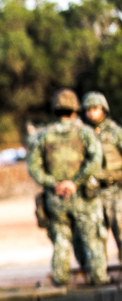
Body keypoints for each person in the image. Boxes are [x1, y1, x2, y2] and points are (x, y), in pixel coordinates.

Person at [26, 89, 106, 286]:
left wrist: (54, 185)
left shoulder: (43, 135)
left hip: (56, 198)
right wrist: (75, 182)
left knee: (61, 238)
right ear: (75, 109)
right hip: (83, 196)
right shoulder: (84, 132)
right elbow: (95, 160)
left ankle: (60, 279)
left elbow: (33, 167)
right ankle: (98, 278)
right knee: (92, 238)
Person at [83, 92, 122, 264]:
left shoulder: (116, 132)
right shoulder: (84, 134)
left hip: (116, 192)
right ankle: (99, 273)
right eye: (88, 109)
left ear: (103, 109)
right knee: (96, 237)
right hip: (93, 193)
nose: (91, 112)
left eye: (95, 108)